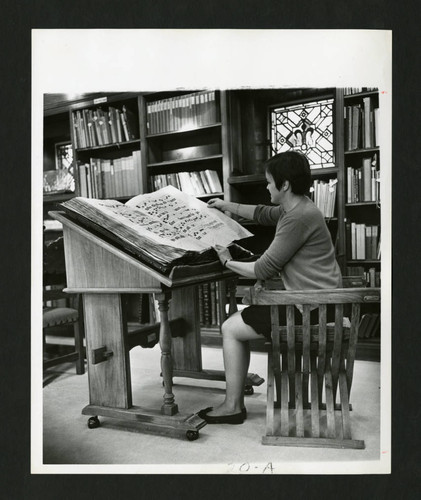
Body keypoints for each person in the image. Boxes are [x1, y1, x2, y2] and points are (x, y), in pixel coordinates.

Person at [197, 150, 342, 424]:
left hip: (313, 309)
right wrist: (227, 205)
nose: (266, 186)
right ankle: (234, 402)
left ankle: (232, 406)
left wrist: (227, 262)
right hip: (319, 301)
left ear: (284, 184)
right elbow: (263, 213)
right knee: (239, 321)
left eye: (268, 181)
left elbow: (264, 268)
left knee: (230, 328)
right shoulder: (300, 207)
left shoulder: (298, 218)